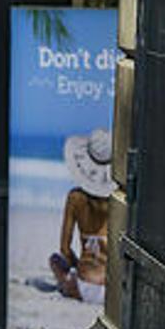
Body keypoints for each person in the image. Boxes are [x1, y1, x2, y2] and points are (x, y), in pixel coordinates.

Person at [49, 128, 112, 304]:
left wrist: (77, 265)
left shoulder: (75, 198)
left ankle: (71, 283)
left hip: (83, 285)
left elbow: (65, 249)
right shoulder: (119, 201)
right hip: (110, 290)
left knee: (54, 260)